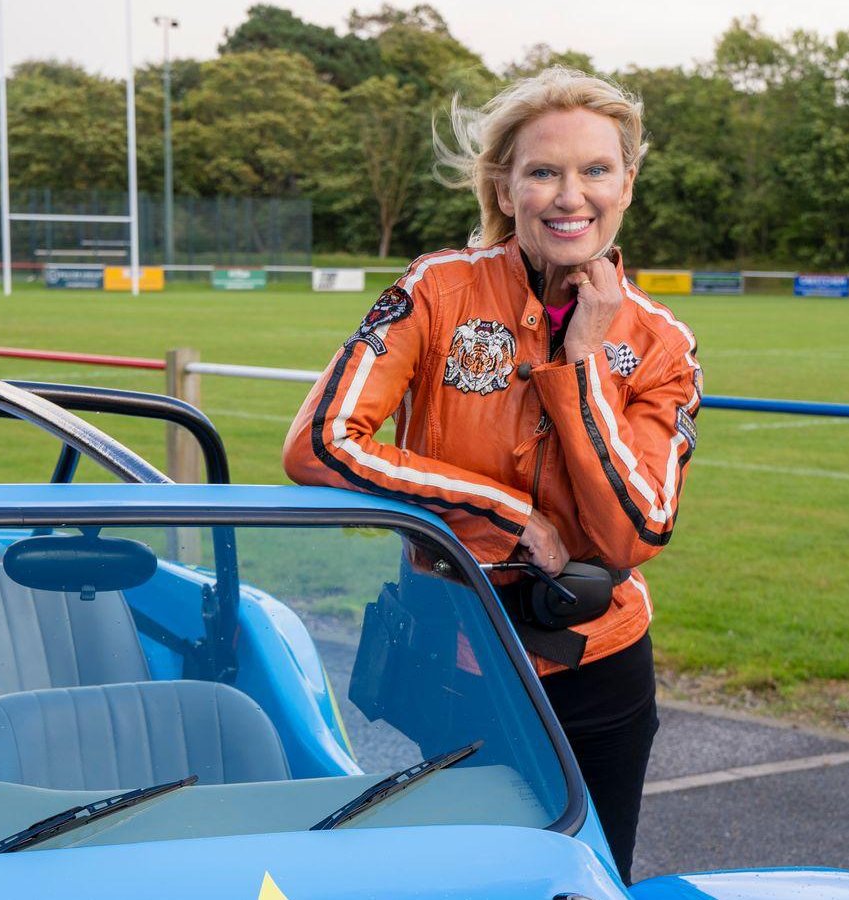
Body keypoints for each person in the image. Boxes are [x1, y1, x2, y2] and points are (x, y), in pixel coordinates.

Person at [282, 67, 700, 884]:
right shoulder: (437, 289)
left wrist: (580, 362)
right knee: (462, 880)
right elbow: (322, 444)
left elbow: (634, 530)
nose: (569, 195)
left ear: (627, 182)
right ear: (505, 188)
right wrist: (508, 511)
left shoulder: (659, 342)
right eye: (543, 171)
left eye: (596, 170)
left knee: (585, 879)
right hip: (456, 653)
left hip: (598, 664)